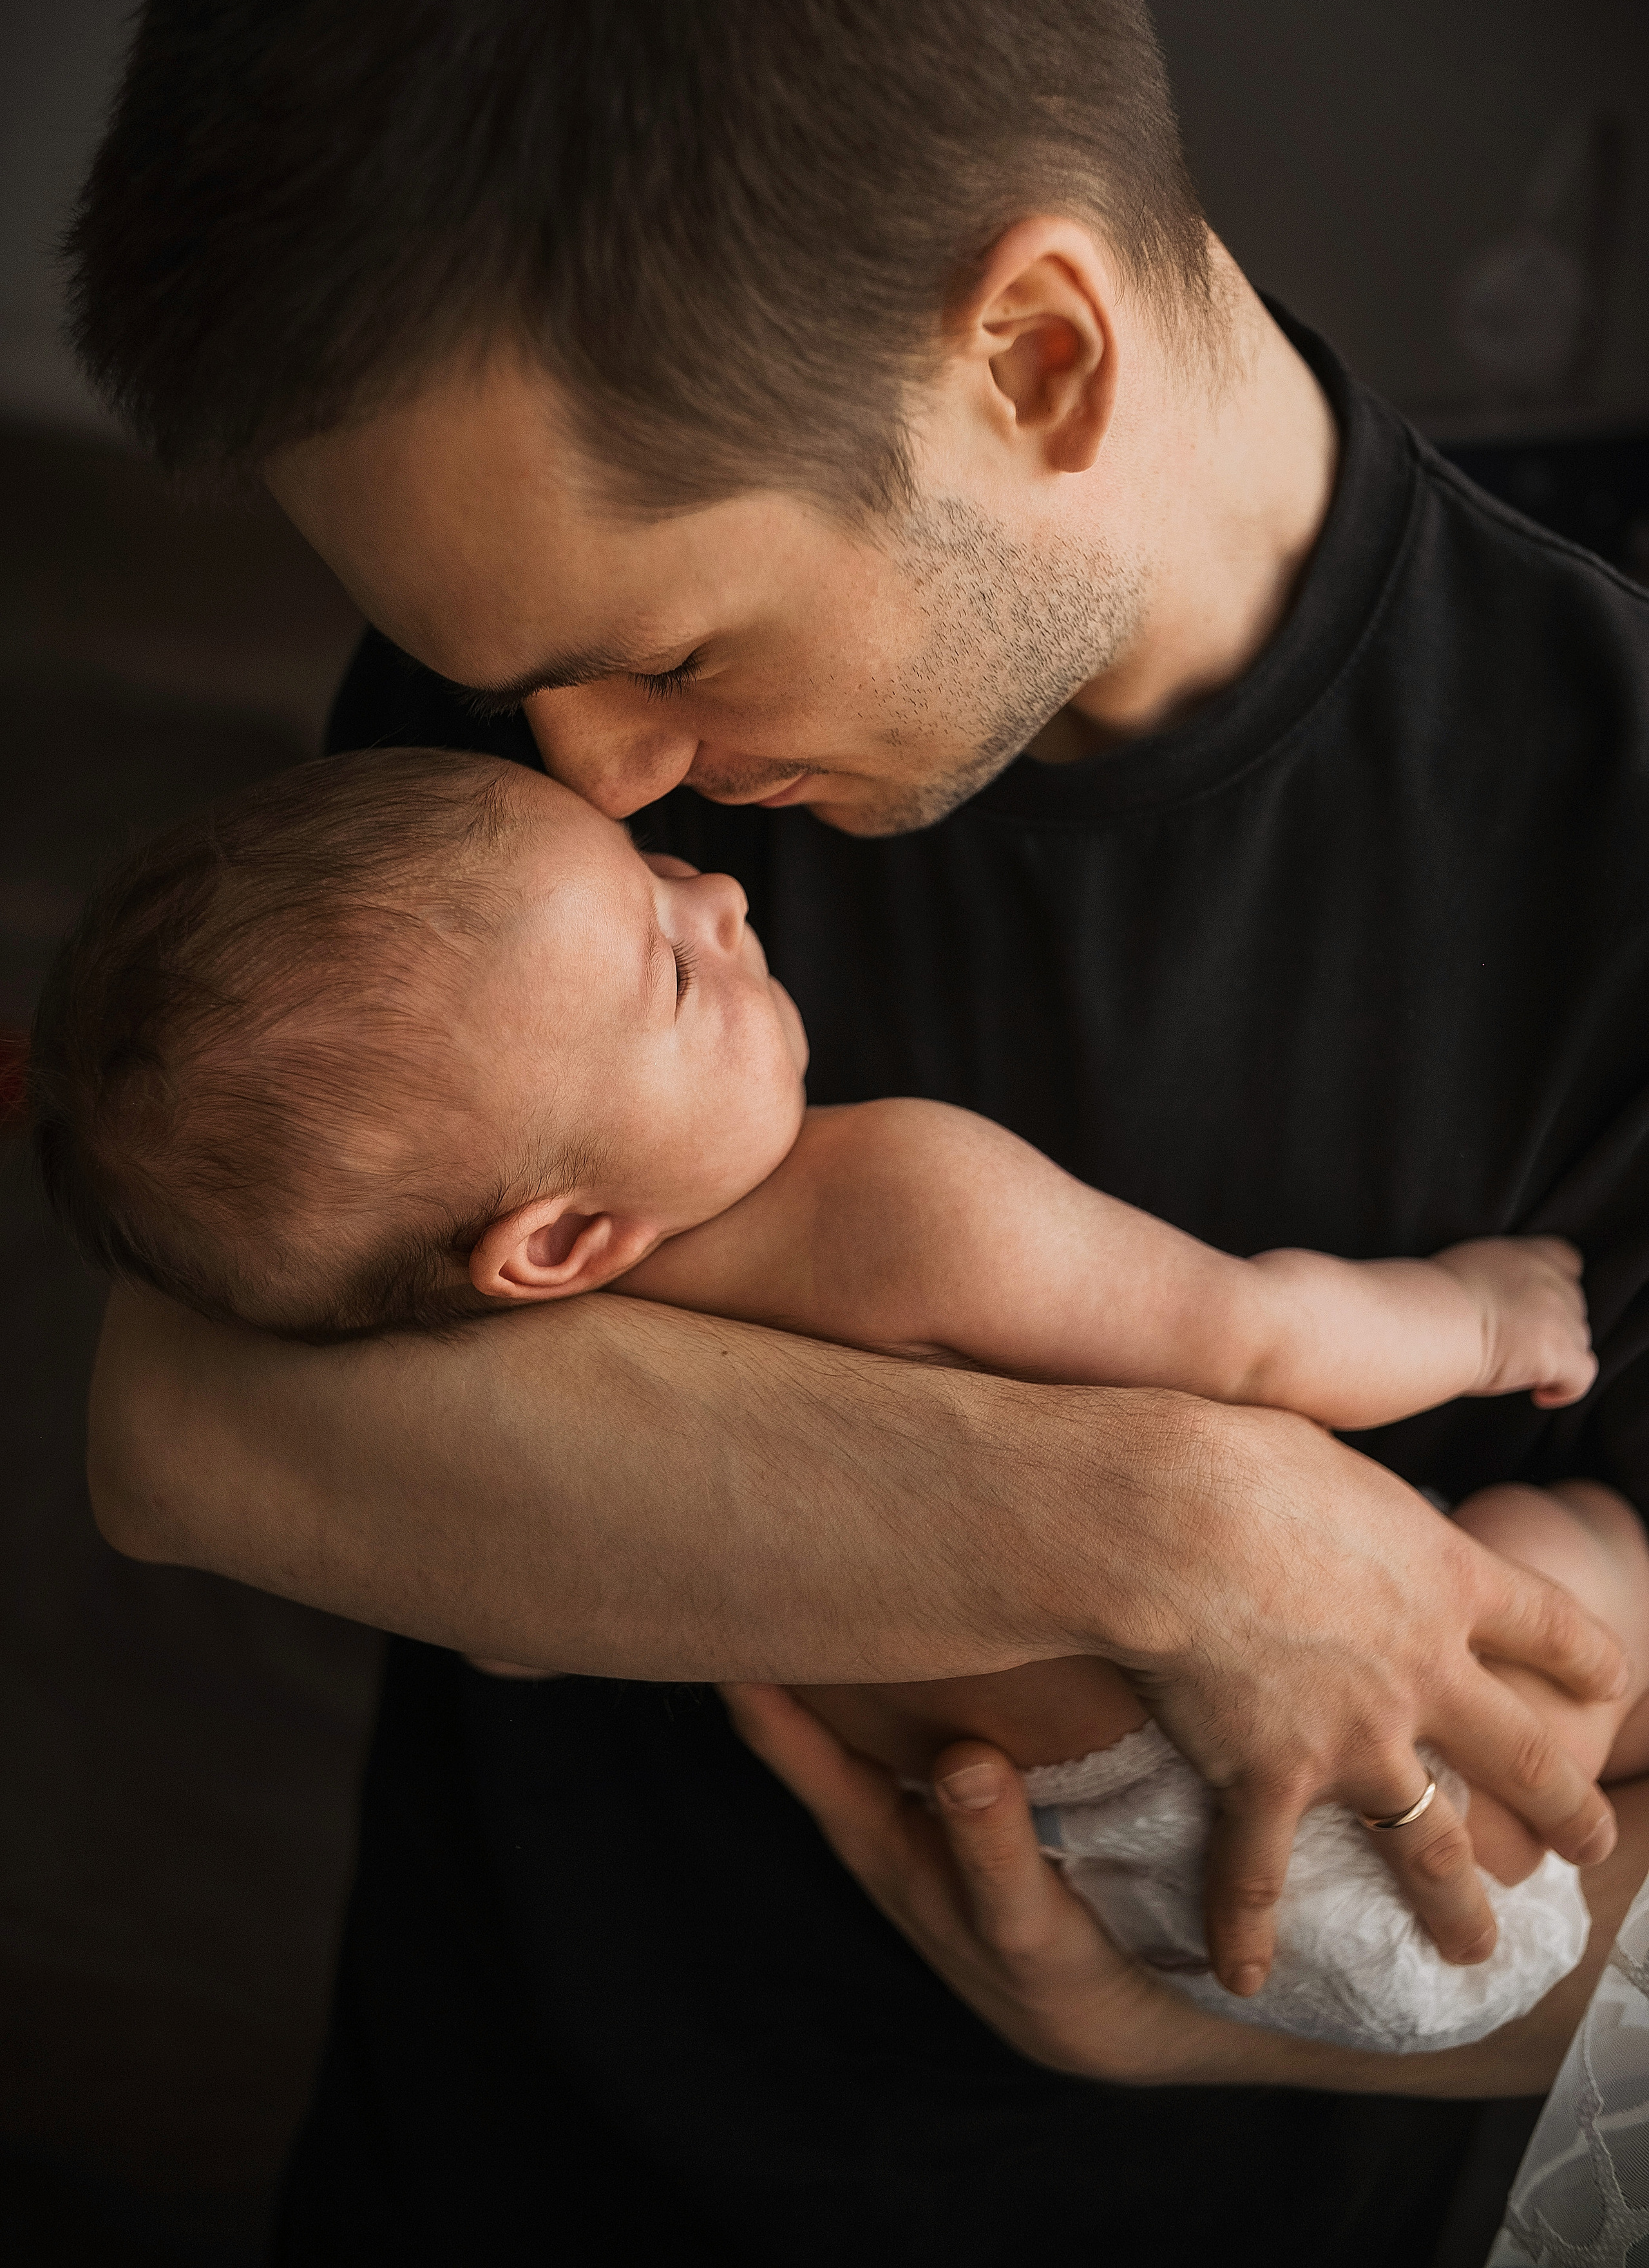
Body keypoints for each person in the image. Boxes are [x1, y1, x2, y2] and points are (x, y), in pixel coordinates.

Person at [63, 0, 1649, 2258]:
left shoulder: (1609, 839)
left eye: (673, 655)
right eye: (509, 680)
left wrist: (1179, 2024)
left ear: (1035, 355)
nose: (579, 779)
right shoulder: (542, 713)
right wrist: (1195, 1524)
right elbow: (196, 1424)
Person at [30, 742, 1649, 2059]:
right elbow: (1253, 1342)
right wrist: (1473, 1313)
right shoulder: (897, 1202)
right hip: (1371, 1807)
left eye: (661, 870)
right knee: (1566, 1552)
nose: (719, 890)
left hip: (1172, 1921)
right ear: (563, 1239)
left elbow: (510, 1632)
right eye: (669, 968)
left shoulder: (530, 1464)